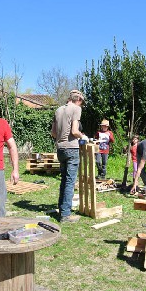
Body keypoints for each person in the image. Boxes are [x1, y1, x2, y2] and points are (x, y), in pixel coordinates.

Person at [51, 89, 88, 223]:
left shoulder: (58, 110)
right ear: (78, 99)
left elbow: (54, 133)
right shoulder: (76, 109)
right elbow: (74, 131)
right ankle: (65, 215)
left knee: (64, 180)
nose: (81, 105)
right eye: (81, 103)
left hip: (60, 149)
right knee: (70, 182)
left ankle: (62, 209)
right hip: (71, 148)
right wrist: (84, 136)